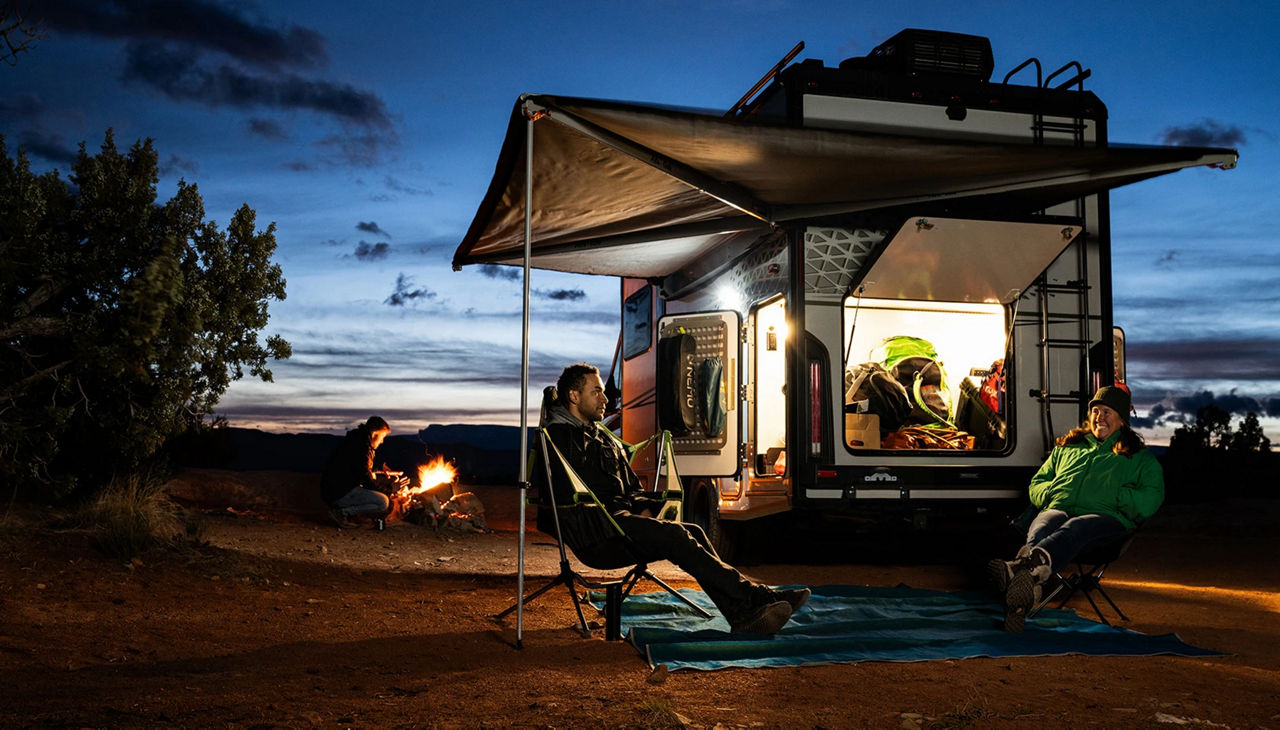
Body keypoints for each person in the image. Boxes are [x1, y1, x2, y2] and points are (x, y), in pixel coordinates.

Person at [545, 363, 809, 635]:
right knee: (675, 536)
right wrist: (629, 515)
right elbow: (565, 496)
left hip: (622, 525)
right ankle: (756, 598)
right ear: (574, 397)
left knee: (693, 530)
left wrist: (644, 508)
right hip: (598, 533)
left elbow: (630, 488)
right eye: (596, 392)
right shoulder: (557, 438)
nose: (605, 399)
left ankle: (741, 613)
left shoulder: (603, 437)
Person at [989, 385, 1164, 631]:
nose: (1099, 417)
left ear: (1122, 418)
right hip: (1061, 510)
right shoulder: (1069, 446)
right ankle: (1026, 589)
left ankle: (1020, 568)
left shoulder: (1138, 457)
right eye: (1095, 411)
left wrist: (1113, 497)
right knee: (1045, 520)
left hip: (1106, 522)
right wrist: (1051, 494)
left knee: (1077, 525)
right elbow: (1038, 482)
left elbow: (1151, 498)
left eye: (1107, 411)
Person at [321, 416, 407, 529]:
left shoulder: (359, 441)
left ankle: (349, 513)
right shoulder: (361, 447)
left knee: (377, 486)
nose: (382, 441)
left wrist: (382, 471)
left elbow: (359, 468)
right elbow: (366, 479)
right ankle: (342, 512)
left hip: (338, 489)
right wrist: (391, 490)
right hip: (339, 492)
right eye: (382, 436)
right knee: (383, 502)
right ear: (375, 433)